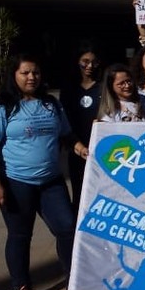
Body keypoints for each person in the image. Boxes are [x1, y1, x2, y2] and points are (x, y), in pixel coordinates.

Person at [0, 54, 85, 290]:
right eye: (25, 73)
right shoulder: (2, 107)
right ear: (14, 75)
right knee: (20, 235)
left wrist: (80, 147)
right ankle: (21, 288)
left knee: (67, 227)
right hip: (16, 182)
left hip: (51, 182)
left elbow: (67, 135)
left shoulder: (51, 104)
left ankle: (74, 280)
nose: (31, 77)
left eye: (35, 72)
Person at [59, 44, 100, 208]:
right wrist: (74, 144)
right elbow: (63, 121)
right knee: (79, 193)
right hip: (77, 149)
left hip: (100, 149)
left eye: (94, 62)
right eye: (85, 61)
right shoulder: (69, 88)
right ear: (77, 62)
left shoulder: (103, 86)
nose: (89, 66)